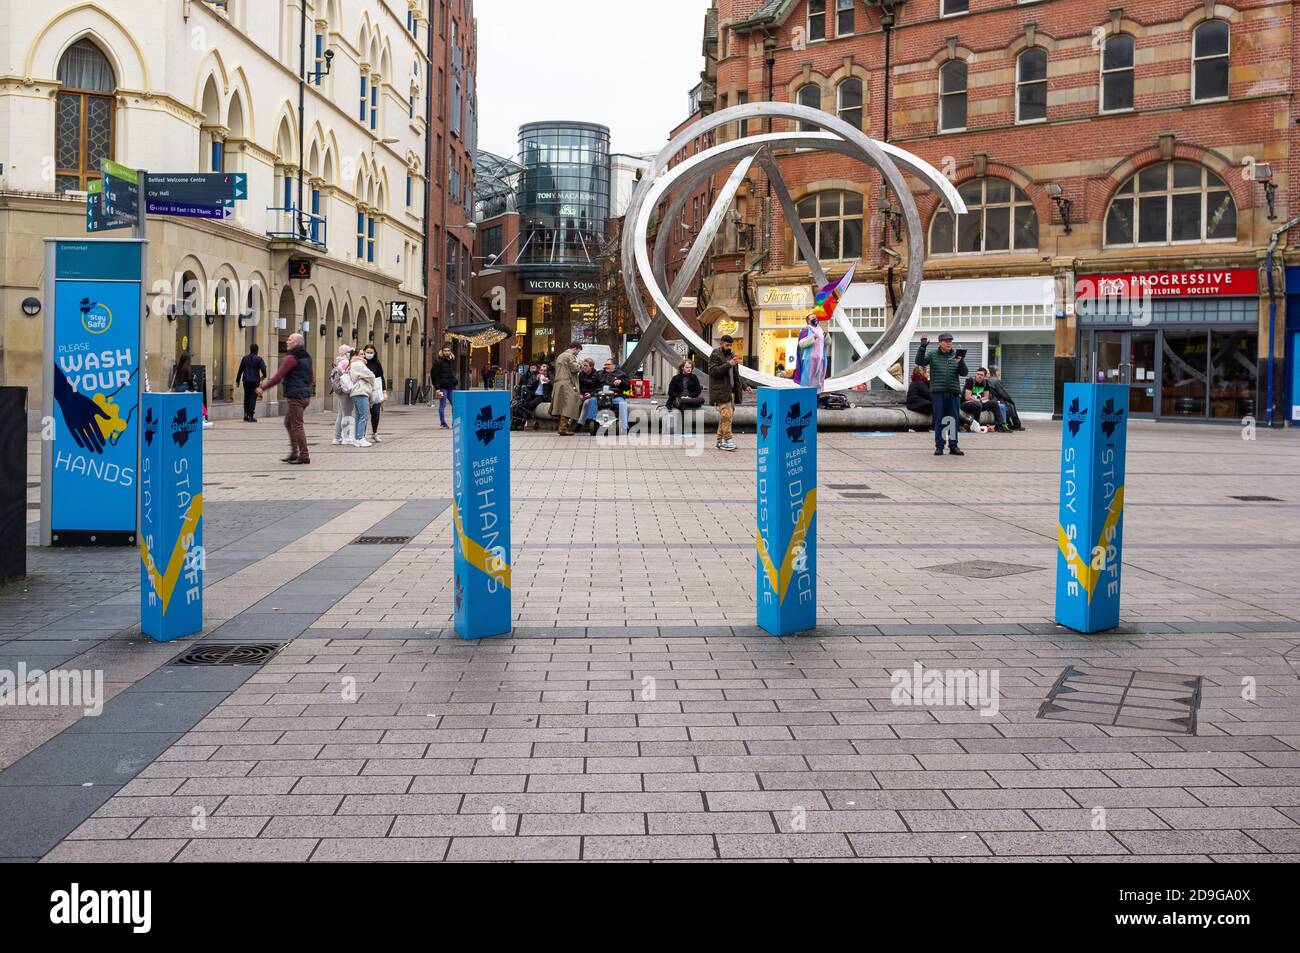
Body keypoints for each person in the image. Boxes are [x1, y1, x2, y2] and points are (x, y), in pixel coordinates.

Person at [257, 332, 314, 465]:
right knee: (288, 422)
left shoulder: (291, 358)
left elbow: (278, 377)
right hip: (305, 395)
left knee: (297, 425)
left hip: (295, 396)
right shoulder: (307, 357)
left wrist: (262, 388)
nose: (287, 341)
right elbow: (311, 377)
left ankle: (304, 455)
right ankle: (294, 453)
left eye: (290, 340)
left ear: (297, 343)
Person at [915, 332, 968, 456]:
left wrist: (961, 362)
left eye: (950, 341)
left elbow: (964, 373)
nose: (949, 343)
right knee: (939, 419)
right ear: (940, 343)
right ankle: (939, 446)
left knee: (953, 420)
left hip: (953, 392)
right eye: (946, 341)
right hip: (938, 392)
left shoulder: (956, 355)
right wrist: (922, 347)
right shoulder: (933, 355)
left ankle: (953, 446)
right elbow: (920, 361)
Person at [707, 334, 745, 452]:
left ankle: (720, 441)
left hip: (731, 390)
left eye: (730, 345)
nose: (729, 347)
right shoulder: (715, 354)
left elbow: (736, 374)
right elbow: (713, 371)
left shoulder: (731, 355)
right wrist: (729, 364)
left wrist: (745, 386)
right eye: (727, 345)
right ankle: (727, 440)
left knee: (726, 417)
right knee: (726, 415)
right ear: (721, 344)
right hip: (721, 391)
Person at [581, 357, 630, 434]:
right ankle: (591, 421)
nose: (606, 366)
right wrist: (590, 394)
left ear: (614, 365)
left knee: (622, 404)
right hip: (599, 396)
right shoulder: (599, 373)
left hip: (615, 397)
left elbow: (627, 387)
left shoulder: (621, 374)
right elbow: (593, 385)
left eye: (608, 364)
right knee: (592, 400)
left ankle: (624, 427)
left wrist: (621, 382)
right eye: (605, 364)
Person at [963, 367, 1011, 433]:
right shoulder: (971, 381)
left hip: (978, 402)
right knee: (978, 405)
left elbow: (986, 397)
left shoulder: (985, 383)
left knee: (994, 403)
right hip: (966, 404)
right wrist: (979, 401)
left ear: (984, 376)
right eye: (977, 374)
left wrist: (979, 400)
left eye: (981, 375)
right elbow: (967, 397)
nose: (979, 376)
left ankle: (1000, 425)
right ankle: (975, 426)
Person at [551, 342, 583, 436]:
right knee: (569, 405)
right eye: (578, 351)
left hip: (558, 383)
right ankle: (563, 428)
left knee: (561, 405)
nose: (578, 353)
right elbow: (575, 368)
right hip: (567, 383)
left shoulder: (561, 356)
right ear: (575, 348)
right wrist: (580, 363)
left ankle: (561, 427)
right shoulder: (570, 356)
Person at [348, 347, 376, 447]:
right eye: (361, 354)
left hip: (357, 392)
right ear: (356, 355)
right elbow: (371, 376)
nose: (364, 356)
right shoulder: (358, 364)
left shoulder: (354, 364)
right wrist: (369, 380)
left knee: (359, 416)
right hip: (361, 392)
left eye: (363, 354)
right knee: (364, 415)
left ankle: (357, 438)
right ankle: (360, 438)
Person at [330, 344, 356, 445]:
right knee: (347, 414)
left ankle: (337, 437)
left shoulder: (339, 362)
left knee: (341, 414)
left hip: (340, 391)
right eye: (350, 353)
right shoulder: (345, 363)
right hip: (345, 391)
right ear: (346, 353)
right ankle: (345, 438)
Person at [792, 315, 827, 389]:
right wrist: (813, 337)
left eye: (815, 317)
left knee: (818, 382)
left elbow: (828, 343)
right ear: (808, 321)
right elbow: (801, 344)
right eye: (812, 318)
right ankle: (807, 397)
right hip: (809, 360)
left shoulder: (821, 330)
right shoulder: (806, 331)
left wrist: (826, 336)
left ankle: (816, 397)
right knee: (808, 381)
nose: (815, 318)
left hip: (820, 360)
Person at [986, 366, 1025, 431]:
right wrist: (1011, 400)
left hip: (994, 400)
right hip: (997, 400)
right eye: (998, 371)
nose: (999, 372)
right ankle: (1016, 425)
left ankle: (1010, 424)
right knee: (1011, 405)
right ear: (994, 372)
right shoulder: (995, 381)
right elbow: (1004, 393)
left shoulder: (990, 380)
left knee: (1009, 405)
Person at [235, 343, 267, 422]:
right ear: (257, 350)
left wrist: (237, 381)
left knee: (246, 396)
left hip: (246, 380)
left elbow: (240, 370)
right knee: (253, 398)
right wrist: (264, 375)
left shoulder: (245, 358)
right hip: (255, 381)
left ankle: (246, 414)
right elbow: (263, 368)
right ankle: (251, 416)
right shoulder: (259, 359)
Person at [362, 345, 385, 443]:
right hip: (363, 390)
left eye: (371, 352)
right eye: (367, 352)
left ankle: (375, 432)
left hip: (375, 390)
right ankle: (361, 435)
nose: (369, 354)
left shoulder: (377, 363)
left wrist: (384, 391)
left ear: (374, 353)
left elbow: (381, 377)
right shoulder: (361, 363)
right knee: (363, 414)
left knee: (376, 412)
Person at [432, 344, 457, 429]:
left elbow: (450, 373)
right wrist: (437, 388)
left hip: (450, 387)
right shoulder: (438, 362)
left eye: (448, 351)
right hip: (442, 387)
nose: (447, 352)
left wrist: (454, 380)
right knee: (442, 405)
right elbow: (434, 376)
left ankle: (455, 423)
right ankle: (443, 423)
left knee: (455, 405)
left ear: (450, 352)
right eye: (445, 351)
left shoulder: (450, 361)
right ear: (442, 352)